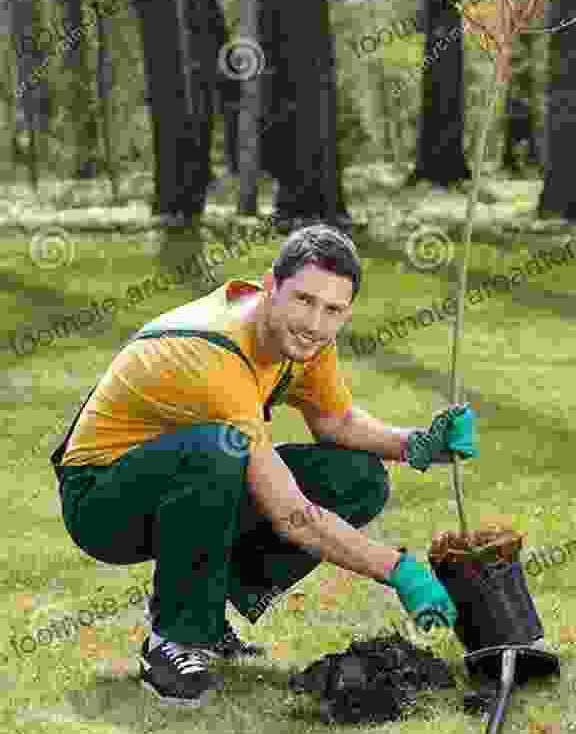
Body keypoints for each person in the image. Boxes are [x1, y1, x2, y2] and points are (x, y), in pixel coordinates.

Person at [50, 225, 477, 707]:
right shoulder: (216, 354)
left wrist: (419, 445)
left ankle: (202, 602)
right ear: (270, 286)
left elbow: (335, 422)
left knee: (356, 479)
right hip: (102, 499)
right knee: (220, 448)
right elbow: (291, 514)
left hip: (184, 477)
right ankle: (176, 638)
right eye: (304, 300)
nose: (315, 323)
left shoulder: (306, 340)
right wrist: (398, 570)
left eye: (332, 310)